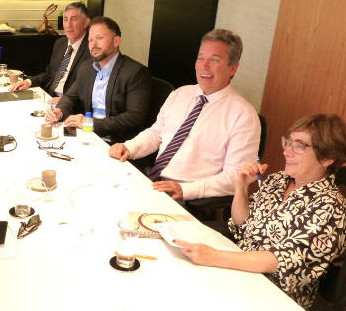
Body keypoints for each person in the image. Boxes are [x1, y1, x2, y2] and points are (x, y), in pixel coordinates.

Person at [176, 114, 346, 310]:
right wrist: (241, 187)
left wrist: (213, 257)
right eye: (288, 142)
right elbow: (242, 224)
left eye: (299, 146)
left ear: (327, 158)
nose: (286, 152)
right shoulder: (278, 180)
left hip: (272, 296)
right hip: (238, 268)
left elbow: (279, 261)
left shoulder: (331, 209)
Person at [108, 29, 260, 201]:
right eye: (200, 58)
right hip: (153, 183)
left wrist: (186, 190)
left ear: (233, 68)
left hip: (190, 198)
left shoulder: (244, 116)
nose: (204, 66)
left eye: (214, 60)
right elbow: (157, 133)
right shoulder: (180, 93)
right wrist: (130, 147)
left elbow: (236, 177)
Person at [46, 16, 152, 144]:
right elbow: (70, 96)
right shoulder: (86, 67)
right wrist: (60, 111)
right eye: (90, 39)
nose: (93, 44)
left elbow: (135, 117)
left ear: (116, 41)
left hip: (116, 143)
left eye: (100, 38)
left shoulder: (135, 72)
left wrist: (89, 123)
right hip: (86, 135)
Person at [9, 2, 91, 103]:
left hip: (70, 104)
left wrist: (66, 100)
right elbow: (49, 75)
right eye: (65, 19)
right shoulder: (60, 44)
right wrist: (28, 82)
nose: (68, 25)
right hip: (49, 97)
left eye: (74, 19)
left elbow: (91, 88)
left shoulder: (92, 49)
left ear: (85, 22)